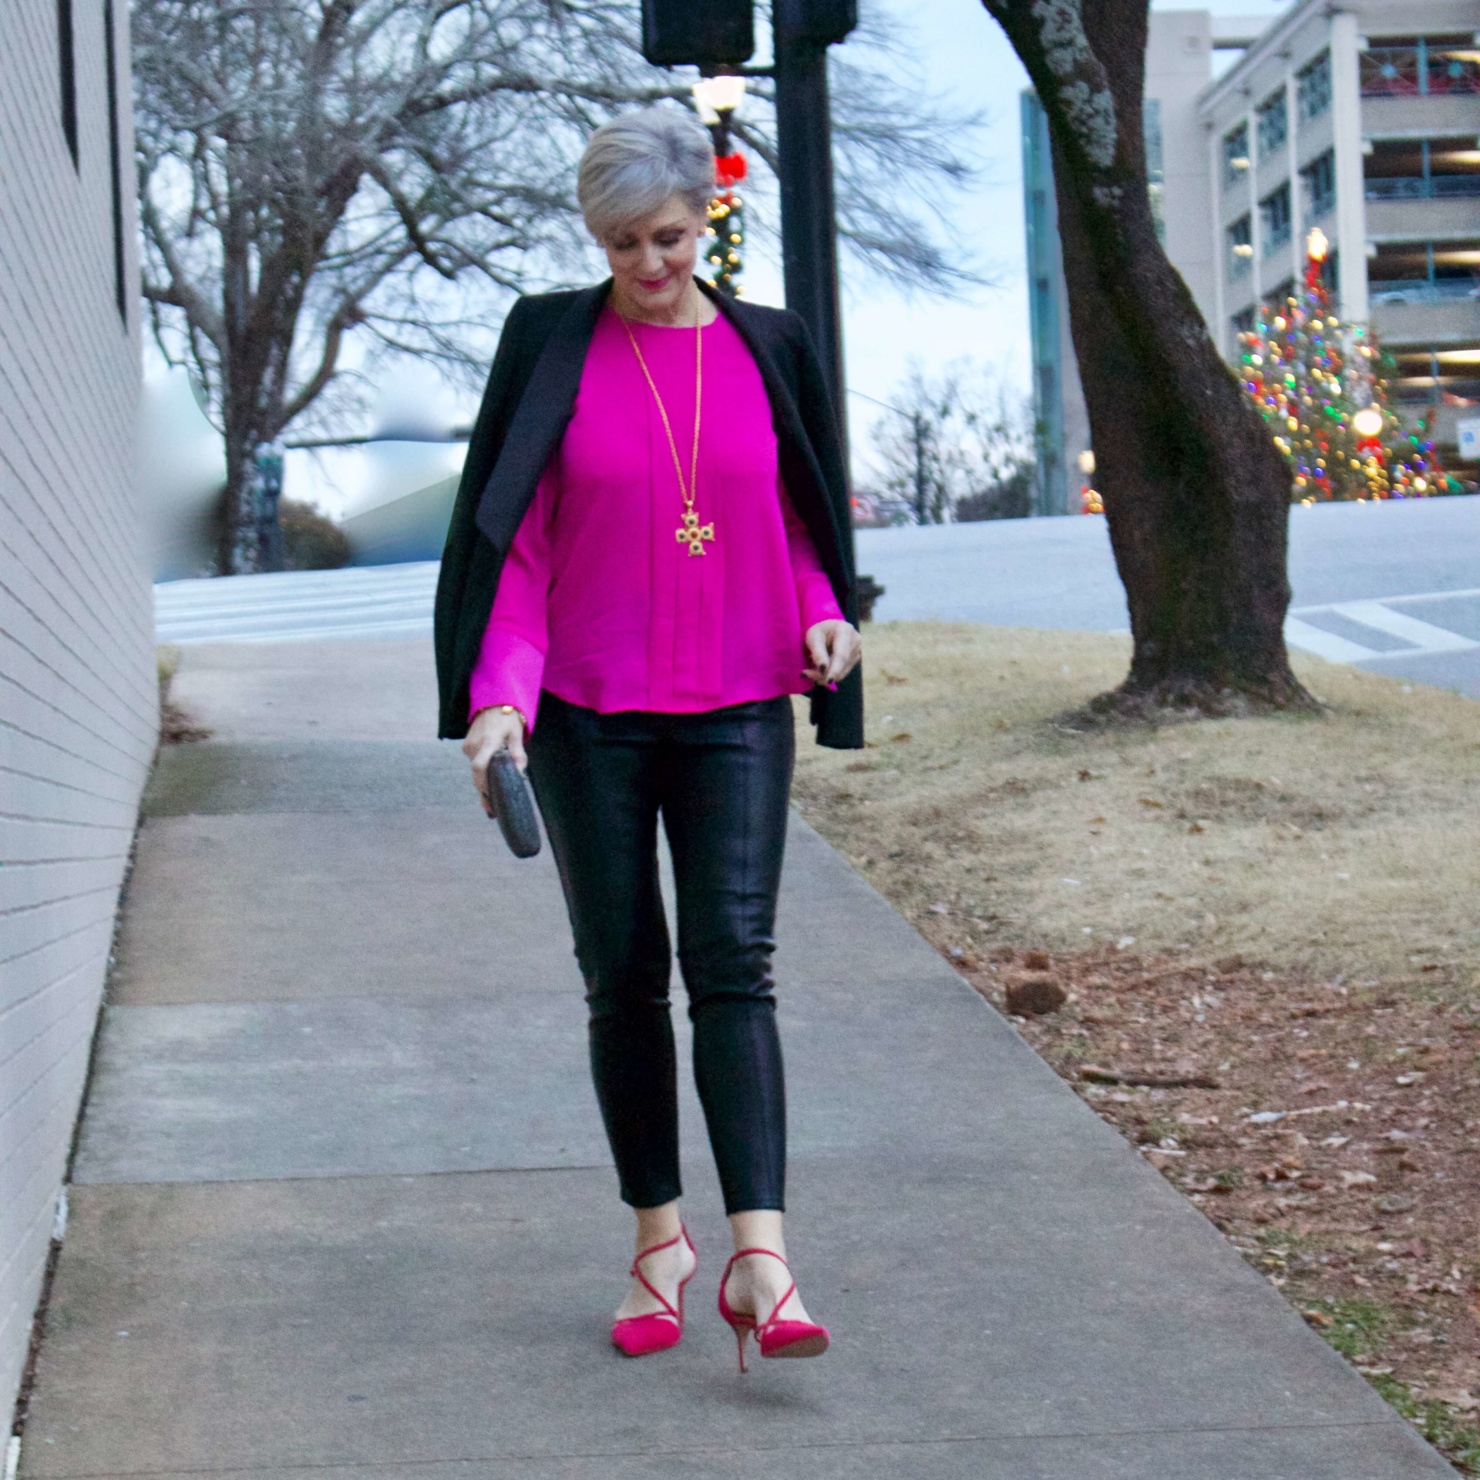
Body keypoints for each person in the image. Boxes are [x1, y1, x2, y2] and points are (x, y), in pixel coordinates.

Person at [434, 106, 863, 1370]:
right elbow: (517, 538)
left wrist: (828, 614)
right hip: (587, 713)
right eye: (620, 242)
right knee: (623, 977)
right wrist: (498, 695)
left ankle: (764, 1260)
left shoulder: (766, 345)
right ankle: (659, 1241)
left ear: (704, 218)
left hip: (737, 702)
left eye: (666, 237)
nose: (646, 266)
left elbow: (793, 512)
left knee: (735, 963)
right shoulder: (550, 342)